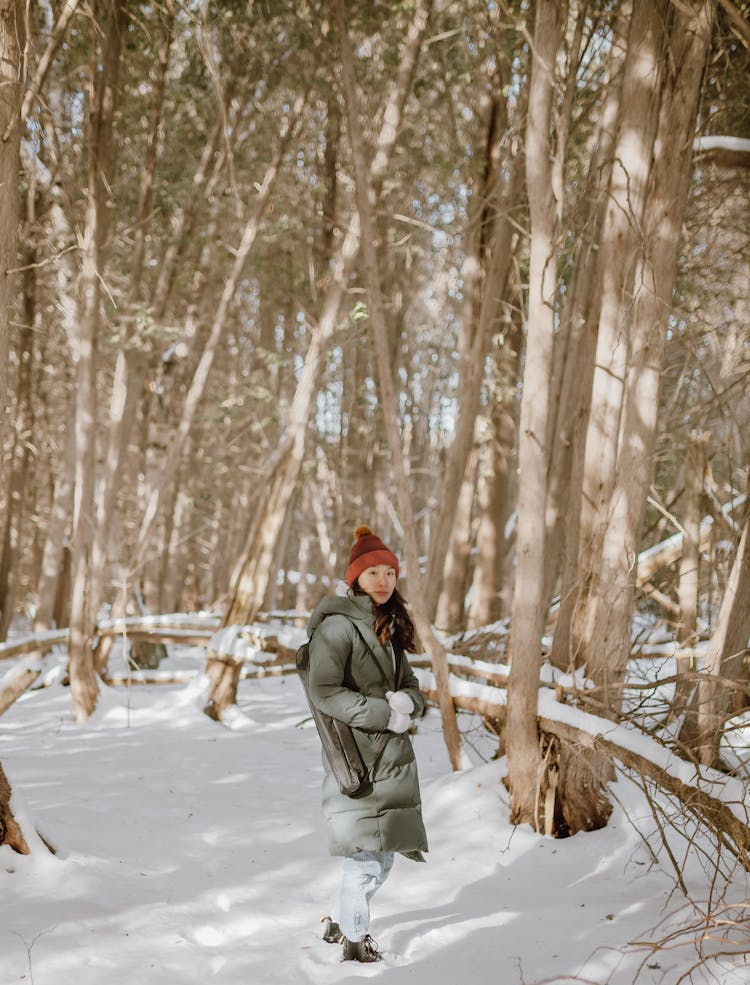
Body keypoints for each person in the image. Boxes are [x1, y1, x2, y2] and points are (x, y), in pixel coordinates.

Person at [306, 525, 428, 963]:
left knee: (381, 854)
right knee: (368, 857)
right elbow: (324, 691)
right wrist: (383, 713)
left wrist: (407, 703)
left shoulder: (387, 623)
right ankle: (355, 944)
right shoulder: (337, 627)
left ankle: (340, 922)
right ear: (355, 577)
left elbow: (410, 682)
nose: (382, 580)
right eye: (372, 572)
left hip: (390, 759)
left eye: (389, 573)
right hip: (358, 755)